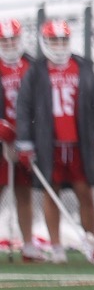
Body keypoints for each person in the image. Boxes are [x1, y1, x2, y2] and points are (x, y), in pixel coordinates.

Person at [15, 20, 94, 263]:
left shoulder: (83, 67)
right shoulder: (36, 72)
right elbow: (24, 107)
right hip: (49, 142)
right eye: (54, 41)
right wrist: (25, 142)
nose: (59, 46)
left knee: (85, 192)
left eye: (63, 40)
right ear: (45, 42)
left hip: (79, 141)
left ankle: (92, 243)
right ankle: (56, 247)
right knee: (51, 193)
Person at [0, 19, 36, 256]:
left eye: (13, 38)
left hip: (23, 138)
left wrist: (28, 135)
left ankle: (29, 245)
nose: (10, 43)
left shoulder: (32, 66)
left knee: (24, 191)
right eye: (5, 40)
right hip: (1, 137)